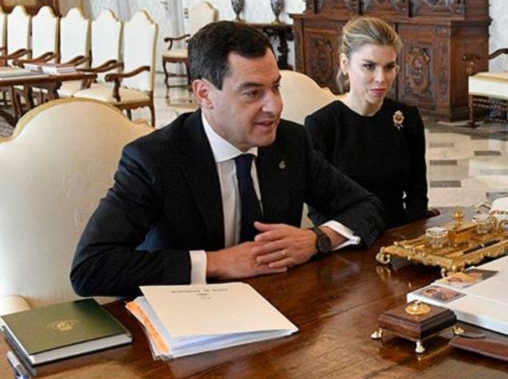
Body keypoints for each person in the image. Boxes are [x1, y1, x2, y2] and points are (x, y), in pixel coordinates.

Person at [71, 21, 387, 297]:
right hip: (189, 326)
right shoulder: (154, 159)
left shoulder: (291, 142)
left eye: (275, 88)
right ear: (204, 94)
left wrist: (316, 239)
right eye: (252, 93)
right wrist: (217, 262)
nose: (274, 107)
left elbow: (368, 207)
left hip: (282, 312)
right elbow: (91, 267)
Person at [305, 17, 429, 228]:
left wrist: (410, 240)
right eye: (369, 66)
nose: (381, 78)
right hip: (344, 243)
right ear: (345, 64)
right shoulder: (322, 125)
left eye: (389, 67)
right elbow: (318, 207)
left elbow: (417, 193)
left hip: (398, 238)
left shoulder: (407, 118)